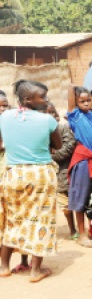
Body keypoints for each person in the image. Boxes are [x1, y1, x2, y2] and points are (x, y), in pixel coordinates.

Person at [0, 80, 62, 282]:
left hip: (13, 174)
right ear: (27, 99)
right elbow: (58, 145)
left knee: (13, 219)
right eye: (42, 97)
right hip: (40, 174)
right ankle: (36, 270)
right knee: (40, 220)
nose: (46, 100)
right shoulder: (47, 120)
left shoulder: (5, 117)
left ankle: (4, 267)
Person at [67, 86, 92, 248]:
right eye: (81, 101)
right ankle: (81, 234)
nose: (86, 104)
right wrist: (73, 88)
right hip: (83, 160)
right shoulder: (75, 115)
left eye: (88, 100)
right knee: (80, 197)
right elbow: (70, 98)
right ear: (76, 103)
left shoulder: (91, 115)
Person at [47, 104, 77, 241]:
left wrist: (49, 156)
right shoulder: (40, 132)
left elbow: (69, 147)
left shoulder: (62, 128)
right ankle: (72, 228)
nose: (53, 116)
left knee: (74, 200)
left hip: (66, 171)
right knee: (63, 205)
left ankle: (76, 229)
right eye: (49, 113)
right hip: (52, 174)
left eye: (54, 113)